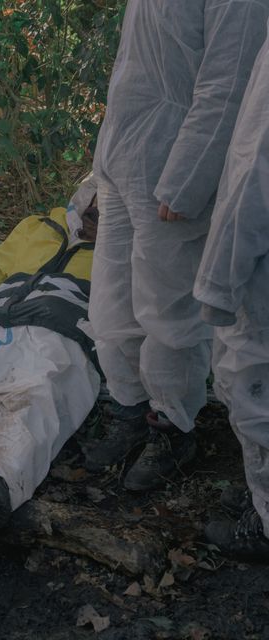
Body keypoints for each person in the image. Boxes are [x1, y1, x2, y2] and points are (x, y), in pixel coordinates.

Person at [85, 0, 269, 491]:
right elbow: (135, 66)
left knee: (167, 309)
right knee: (111, 297)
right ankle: (128, 409)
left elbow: (227, 83)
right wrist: (102, 160)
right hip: (123, 154)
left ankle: (172, 427)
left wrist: (189, 176)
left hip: (169, 160)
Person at [0, 175, 100, 529]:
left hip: (58, 337)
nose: (100, 223)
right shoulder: (37, 227)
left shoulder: (128, 253)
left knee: (35, 392)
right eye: (94, 214)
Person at [193, 27, 269, 560]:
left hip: (259, 269)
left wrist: (218, 282)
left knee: (253, 386)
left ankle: (265, 524)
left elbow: (255, 173)